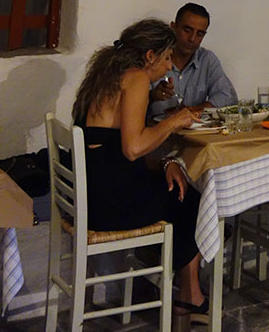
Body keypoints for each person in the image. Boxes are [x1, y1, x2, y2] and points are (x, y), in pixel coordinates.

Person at [72, 19, 207, 321]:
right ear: (150, 56)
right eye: (168, 57)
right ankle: (189, 297)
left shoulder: (108, 72)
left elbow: (119, 141)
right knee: (191, 198)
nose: (170, 66)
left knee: (177, 187)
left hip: (91, 196)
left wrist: (167, 162)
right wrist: (173, 121)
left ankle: (184, 292)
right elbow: (132, 148)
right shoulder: (135, 78)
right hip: (109, 206)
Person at [149, 2, 237, 116]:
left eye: (200, 34)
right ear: (173, 27)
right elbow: (128, 103)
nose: (192, 38)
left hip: (195, 132)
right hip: (156, 130)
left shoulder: (207, 59)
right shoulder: (153, 58)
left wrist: (197, 109)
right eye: (187, 30)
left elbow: (228, 97)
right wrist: (152, 96)